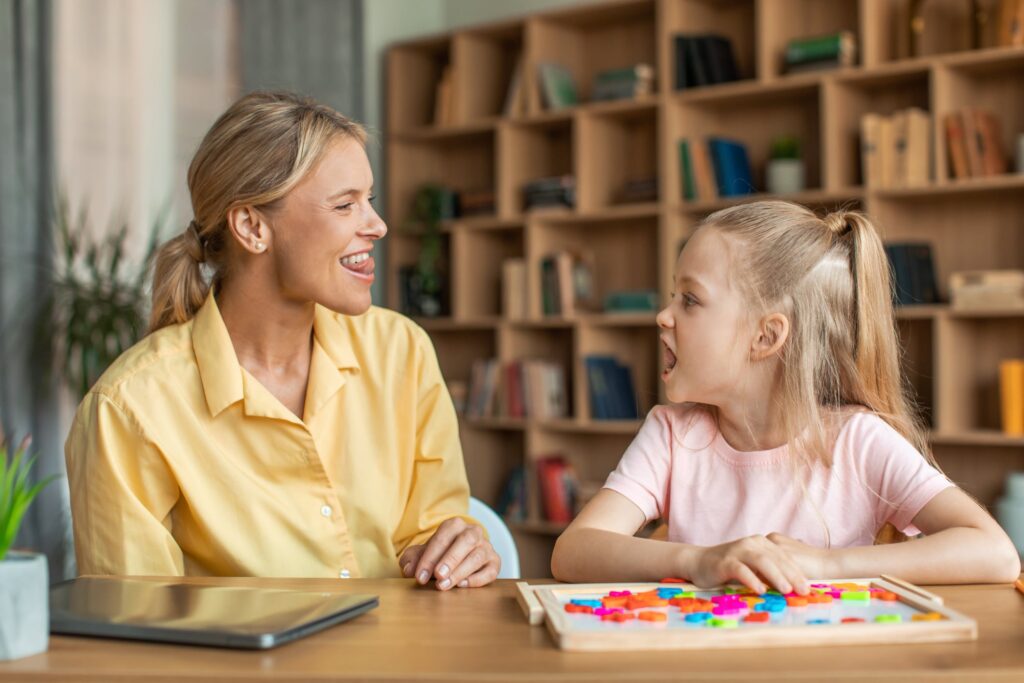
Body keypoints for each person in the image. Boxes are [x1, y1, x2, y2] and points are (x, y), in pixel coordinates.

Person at [65, 91, 498, 591]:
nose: (377, 226)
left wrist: (456, 554)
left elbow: (432, 537)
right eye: (345, 205)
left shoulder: (403, 351)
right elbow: (135, 626)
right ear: (252, 227)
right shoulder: (129, 410)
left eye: (369, 201)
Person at [551, 200, 1020, 591]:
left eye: (689, 300)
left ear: (765, 337)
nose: (663, 316)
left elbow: (996, 554)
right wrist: (698, 561)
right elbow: (573, 552)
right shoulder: (671, 435)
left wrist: (826, 566)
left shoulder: (858, 441)